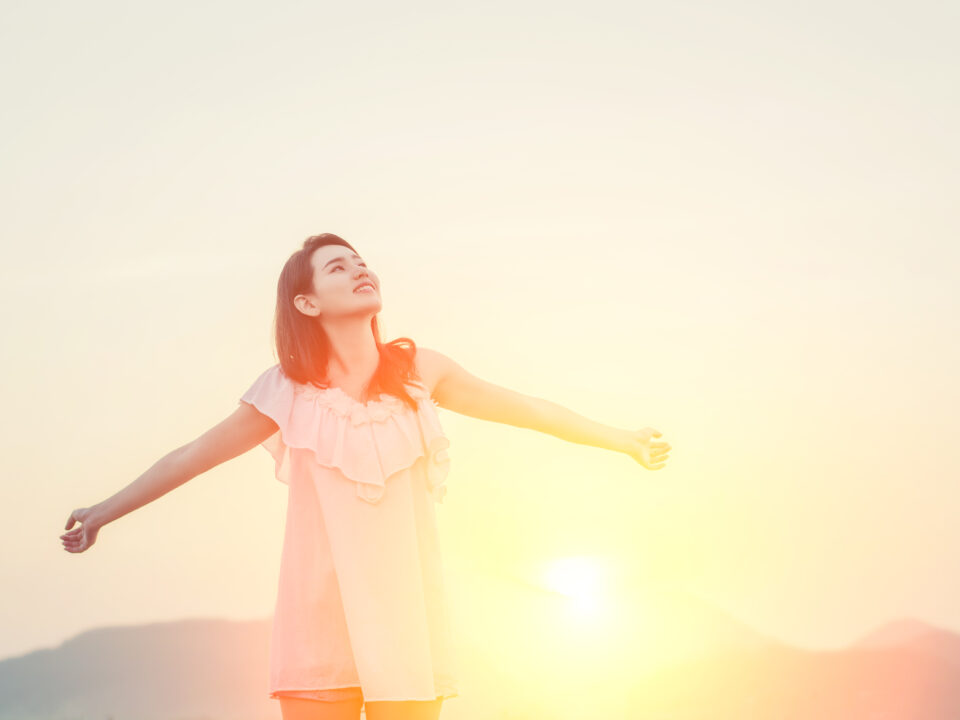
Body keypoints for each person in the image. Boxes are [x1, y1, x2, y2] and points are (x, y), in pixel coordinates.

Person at [60, 233, 672, 720]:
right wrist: (102, 511)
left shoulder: (420, 372)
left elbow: (529, 409)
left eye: (360, 261)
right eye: (336, 268)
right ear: (307, 302)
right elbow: (192, 456)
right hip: (318, 612)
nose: (359, 269)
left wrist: (620, 439)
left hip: (407, 614)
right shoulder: (286, 390)